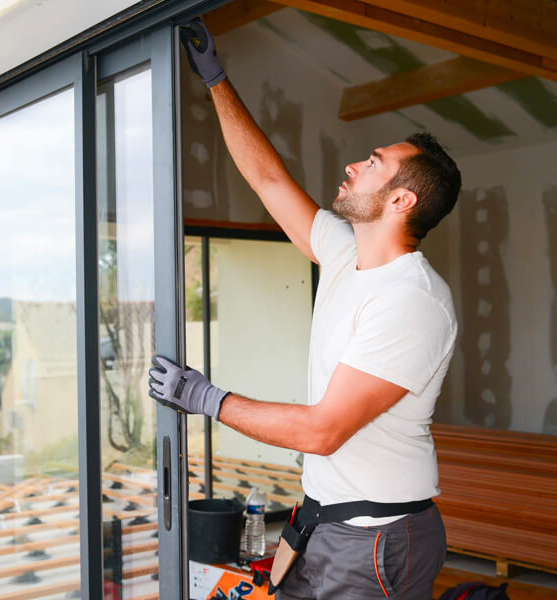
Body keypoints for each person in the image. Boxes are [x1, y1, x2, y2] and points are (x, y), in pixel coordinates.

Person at [148, 18, 462, 600]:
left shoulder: (412, 301)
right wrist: (216, 80)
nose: (353, 165)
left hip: (375, 538)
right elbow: (268, 180)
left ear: (401, 199)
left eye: (372, 162)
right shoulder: (345, 254)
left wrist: (205, 399)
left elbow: (323, 431)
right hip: (320, 522)